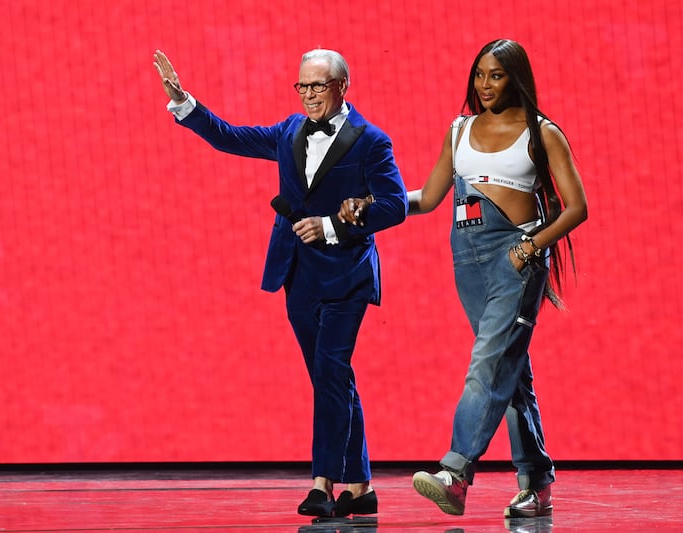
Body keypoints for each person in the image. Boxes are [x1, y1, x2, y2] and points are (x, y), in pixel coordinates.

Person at [153, 48, 407, 518]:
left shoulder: (371, 141)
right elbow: (230, 137)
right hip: (299, 274)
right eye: (302, 86)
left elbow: (395, 205)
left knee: (332, 373)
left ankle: (322, 485)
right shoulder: (290, 130)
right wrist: (184, 102)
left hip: (347, 274)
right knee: (331, 379)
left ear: (341, 86)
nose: (309, 95)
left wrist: (332, 224)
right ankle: (361, 485)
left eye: (318, 86)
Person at [340, 39, 587, 519]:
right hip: (466, 259)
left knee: (487, 364)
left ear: (516, 77)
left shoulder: (541, 132)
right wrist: (374, 205)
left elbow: (577, 208)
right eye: (479, 75)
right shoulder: (459, 130)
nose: (485, 85)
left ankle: (455, 473)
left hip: (515, 258)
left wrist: (528, 249)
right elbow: (429, 198)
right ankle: (536, 483)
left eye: (496, 75)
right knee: (508, 370)